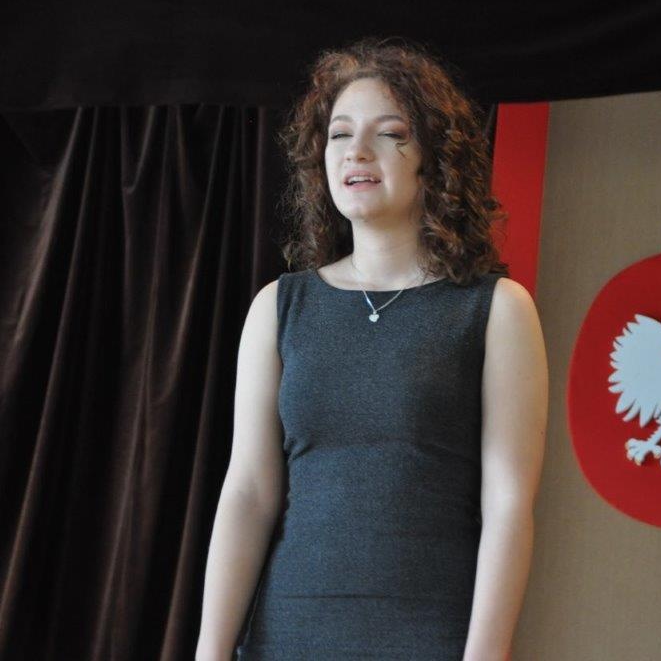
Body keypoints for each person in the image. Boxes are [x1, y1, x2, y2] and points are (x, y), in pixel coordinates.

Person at [194, 37, 548, 661]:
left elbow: (509, 505)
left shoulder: (496, 310)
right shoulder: (278, 307)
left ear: (433, 158)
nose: (356, 151)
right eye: (339, 134)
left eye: (389, 133)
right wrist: (210, 651)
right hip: (284, 637)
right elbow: (248, 493)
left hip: (430, 637)